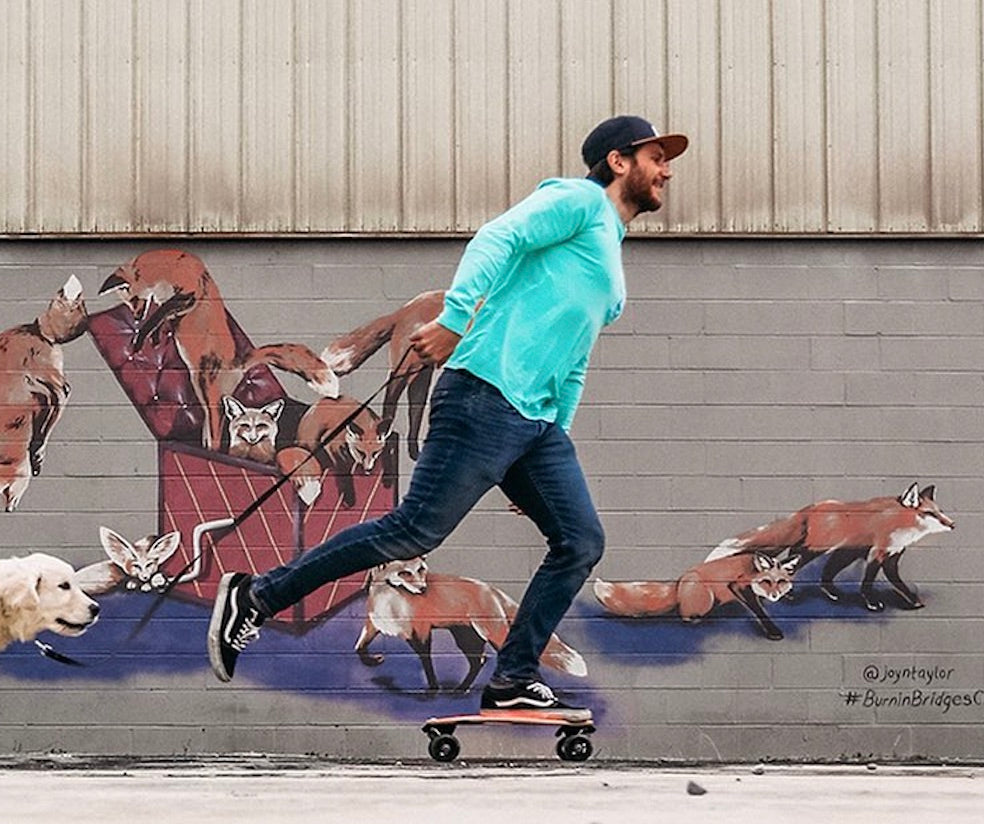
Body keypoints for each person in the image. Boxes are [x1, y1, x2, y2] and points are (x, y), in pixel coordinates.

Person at [207, 115, 688, 720]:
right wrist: (456, 317)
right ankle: (256, 597)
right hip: (483, 393)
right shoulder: (578, 201)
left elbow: (573, 354)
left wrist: (552, 437)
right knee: (413, 531)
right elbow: (494, 239)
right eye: (655, 156)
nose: (667, 168)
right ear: (619, 162)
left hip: (534, 425)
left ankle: (513, 676)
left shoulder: (610, 258)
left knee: (580, 541)